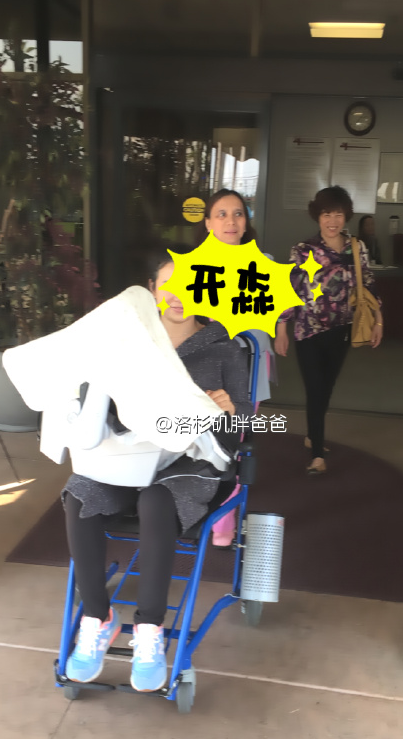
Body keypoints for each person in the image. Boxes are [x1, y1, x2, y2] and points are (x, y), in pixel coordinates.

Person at [64, 245, 253, 692]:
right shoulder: (127, 346)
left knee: (156, 500)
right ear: (151, 290)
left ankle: (149, 628)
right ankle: (97, 617)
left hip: (190, 466)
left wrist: (228, 411)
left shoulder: (225, 350)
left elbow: (245, 426)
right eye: (168, 284)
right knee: (79, 495)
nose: (178, 295)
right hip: (128, 459)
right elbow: (102, 418)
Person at [275, 186, 383, 475]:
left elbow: (369, 285)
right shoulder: (303, 250)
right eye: (326, 214)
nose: (332, 221)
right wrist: (281, 328)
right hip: (307, 331)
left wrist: (378, 320)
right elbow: (289, 291)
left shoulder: (356, 248)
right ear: (317, 216)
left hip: (341, 329)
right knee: (315, 389)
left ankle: (313, 435)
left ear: (346, 216)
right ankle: (317, 456)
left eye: (338, 214)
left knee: (327, 387)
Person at [199, 188, 275, 544]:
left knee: (232, 444)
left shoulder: (265, 264)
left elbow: (266, 318)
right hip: (201, 372)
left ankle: (223, 524)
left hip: (248, 370)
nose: (231, 221)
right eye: (222, 214)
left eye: (238, 214)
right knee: (197, 442)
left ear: (246, 222)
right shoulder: (190, 267)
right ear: (208, 223)